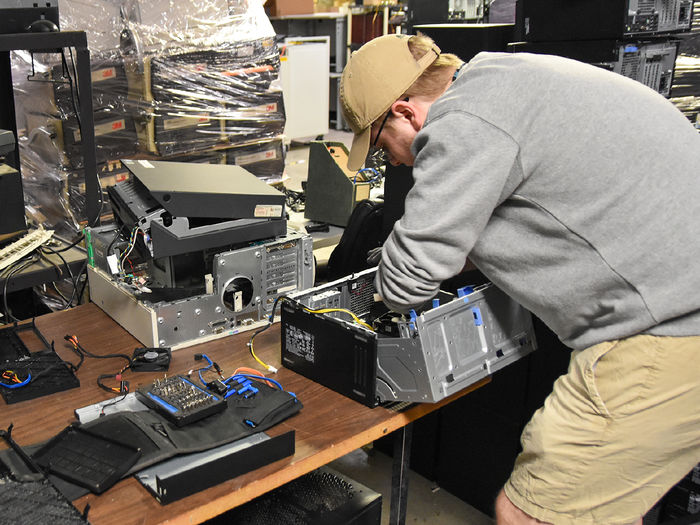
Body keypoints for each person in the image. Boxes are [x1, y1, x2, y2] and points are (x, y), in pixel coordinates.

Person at [339, 32, 700, 525]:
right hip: (677, 305)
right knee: (601, 505)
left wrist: (381, 276)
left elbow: (407, 283)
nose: (397, 161)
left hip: (668, 332)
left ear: (405, 111)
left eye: (384, 146)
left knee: (530, 512)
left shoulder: (463, 122)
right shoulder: (506, 77)